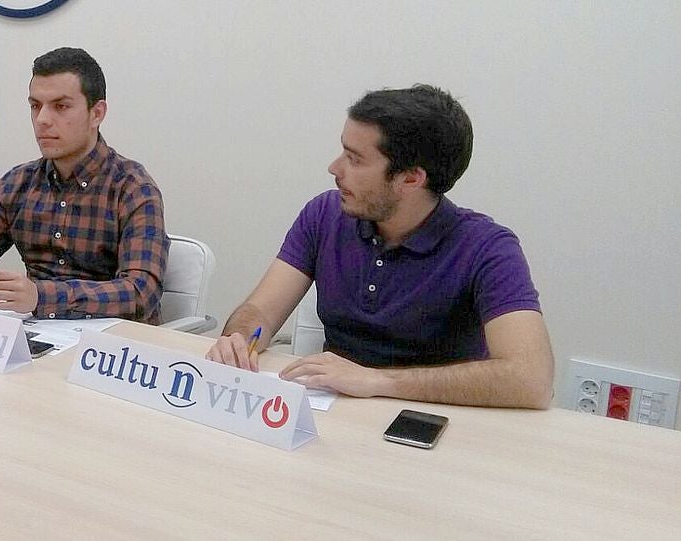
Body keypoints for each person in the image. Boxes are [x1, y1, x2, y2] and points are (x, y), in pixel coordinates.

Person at [207, 85, 554, 409]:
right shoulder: (324, 214)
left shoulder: (487, 248)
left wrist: (377, 381)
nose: (334, 168)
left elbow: (530, 380)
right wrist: (241, 339)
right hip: (333, 411)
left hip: (430, 424)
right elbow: (261, 311)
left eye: (355, 159)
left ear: (410, 179)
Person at [0, 47, 169, 324]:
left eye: (60, 107)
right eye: (35, 106)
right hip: (40, 332)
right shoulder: (19, 183)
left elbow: (140, 292)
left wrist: (41, 296)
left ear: (97, 113)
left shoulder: (132, 188)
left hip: (110, 344)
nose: (43, 119)